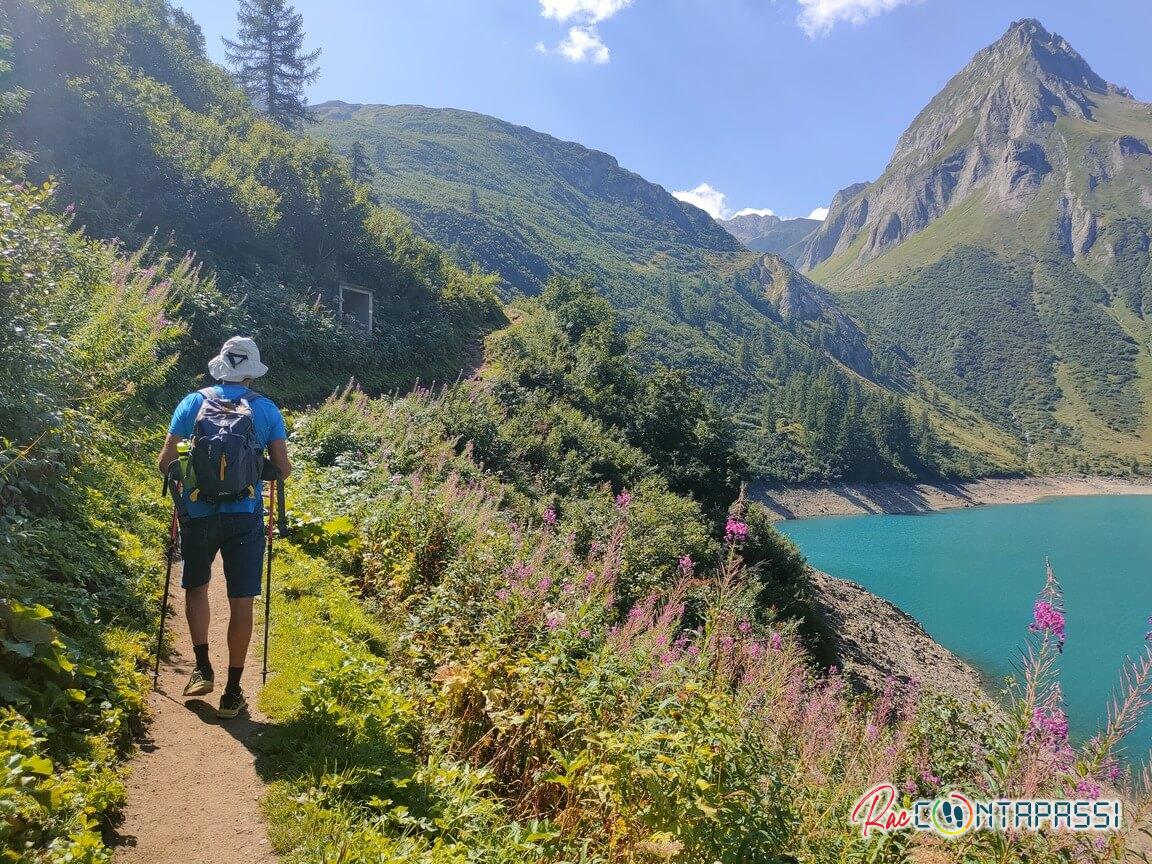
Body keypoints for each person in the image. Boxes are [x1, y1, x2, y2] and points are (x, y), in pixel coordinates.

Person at [156, 337, 292, 718]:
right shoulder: (266, 410)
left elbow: (166, 461)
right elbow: (282, 470)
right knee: (241, 600)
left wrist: (190, 484)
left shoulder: (192, 403)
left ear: (220, 366)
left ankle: (201, 667)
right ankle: (233, 691)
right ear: (251, 371)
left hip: (199, 514)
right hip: (245, 515)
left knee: (197, 587)